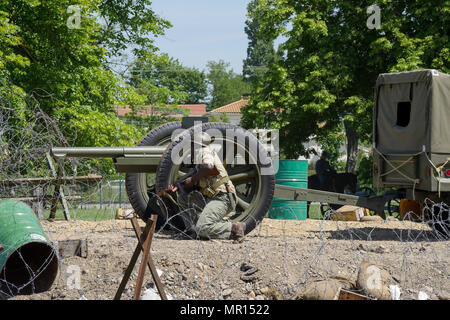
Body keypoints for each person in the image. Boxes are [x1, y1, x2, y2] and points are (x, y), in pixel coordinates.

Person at [167, 132, 246, 243]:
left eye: (191, 144)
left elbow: (209, 167)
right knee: (183, 199)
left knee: (202, 227)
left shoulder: (203, 151)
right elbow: (194, 185)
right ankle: (193, 231)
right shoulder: (199, 158)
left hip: (223, 197)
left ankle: (233, 228)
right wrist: (180, 185)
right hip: (212, 197)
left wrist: (192, 179)